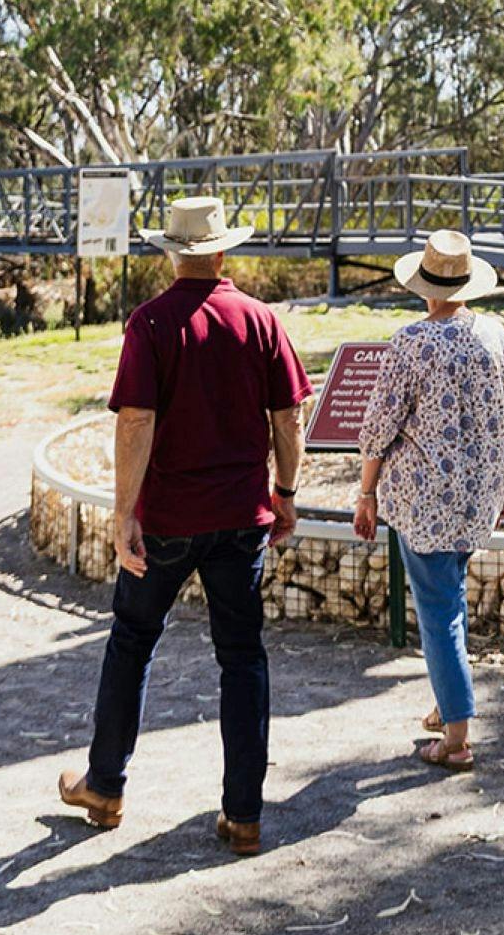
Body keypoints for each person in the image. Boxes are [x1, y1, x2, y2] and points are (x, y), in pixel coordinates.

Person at [58, 194, 313, 853]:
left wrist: (124, 513)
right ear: (224, 249)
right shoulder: (261, 320)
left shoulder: (149, 323)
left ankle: (106, 785)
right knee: (242, 657)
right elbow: (288, 418)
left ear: (172, 252)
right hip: (240, 519)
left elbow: (135, 420)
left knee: (133, 640)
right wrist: (285, 491)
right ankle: (244, 812)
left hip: (168, 517)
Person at [354, 229, 504, 772]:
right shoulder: (495, 337)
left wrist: (366, 492)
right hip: (477, 497)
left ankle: (456, 739)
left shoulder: (412, 342)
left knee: (438, 613)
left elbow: (378, 427)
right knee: (449, 600)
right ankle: (446, 699)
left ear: (425, 287)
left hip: (425, 501)